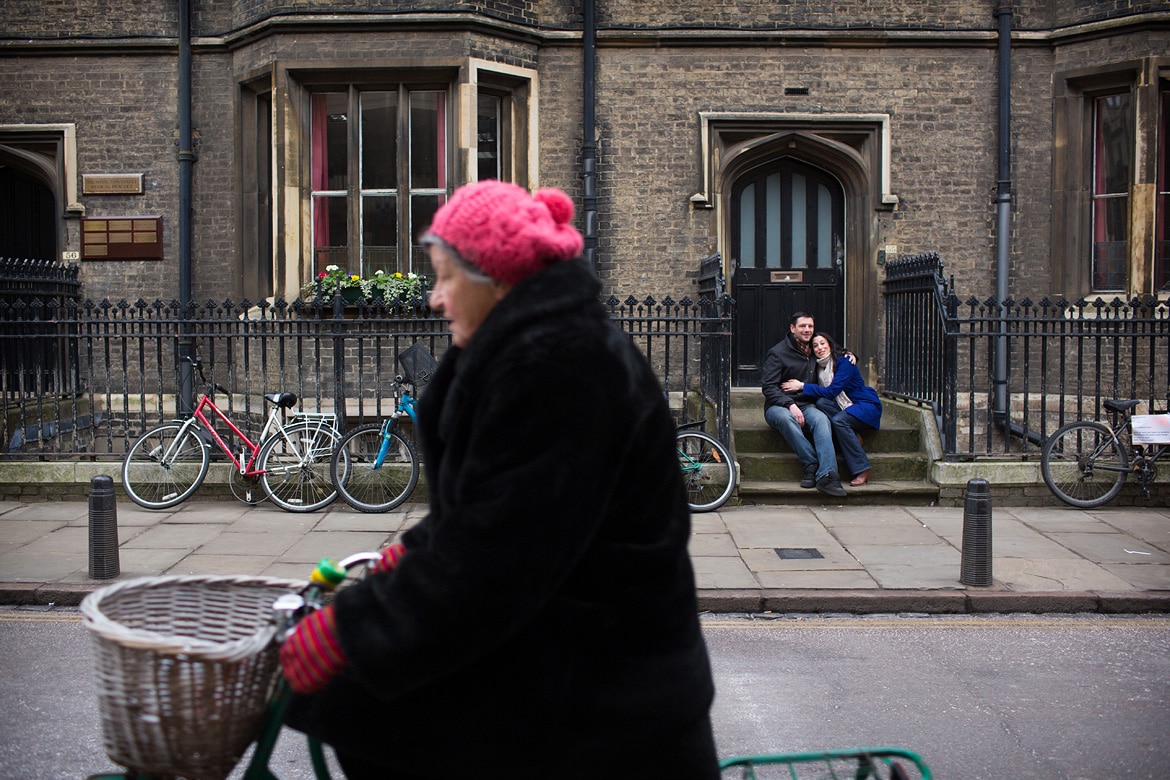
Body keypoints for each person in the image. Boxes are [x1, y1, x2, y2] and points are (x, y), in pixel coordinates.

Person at [280, 180, 719, 779]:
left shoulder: (558, 365)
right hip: (563, 642)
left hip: (606, 689)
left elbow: (497, 555)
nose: (434, 298)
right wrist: (406, 557)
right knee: (362, 700)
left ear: (498, 278)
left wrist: (353, 630)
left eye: (445, 278)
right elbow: (487, 511)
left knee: (360, 699)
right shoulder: (530, 342)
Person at [760, 312, 848, 497]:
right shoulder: (778, 353)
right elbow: (768, 387)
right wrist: (789, 404)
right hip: (779, 406)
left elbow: (836, 352)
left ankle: (827, 475)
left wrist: (850, 354)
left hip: (808, 405)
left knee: (822, 420)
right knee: (786, 419)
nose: (807, 330)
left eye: (810, 326)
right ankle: (811, 463)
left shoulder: (816, 349)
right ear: (793, 329)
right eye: (802, 326)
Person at [781, 332, 882, 486]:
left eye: (822, 343)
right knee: (821, 403)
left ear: (830, 344)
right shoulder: (819, 366)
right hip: (843, 406)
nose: (819, 348)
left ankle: (862, 468)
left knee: (839, 421)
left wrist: (802, 386)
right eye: (815, 345)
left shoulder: (844, 361)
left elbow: (832, 391)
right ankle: (854, 436)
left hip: (864, 405)